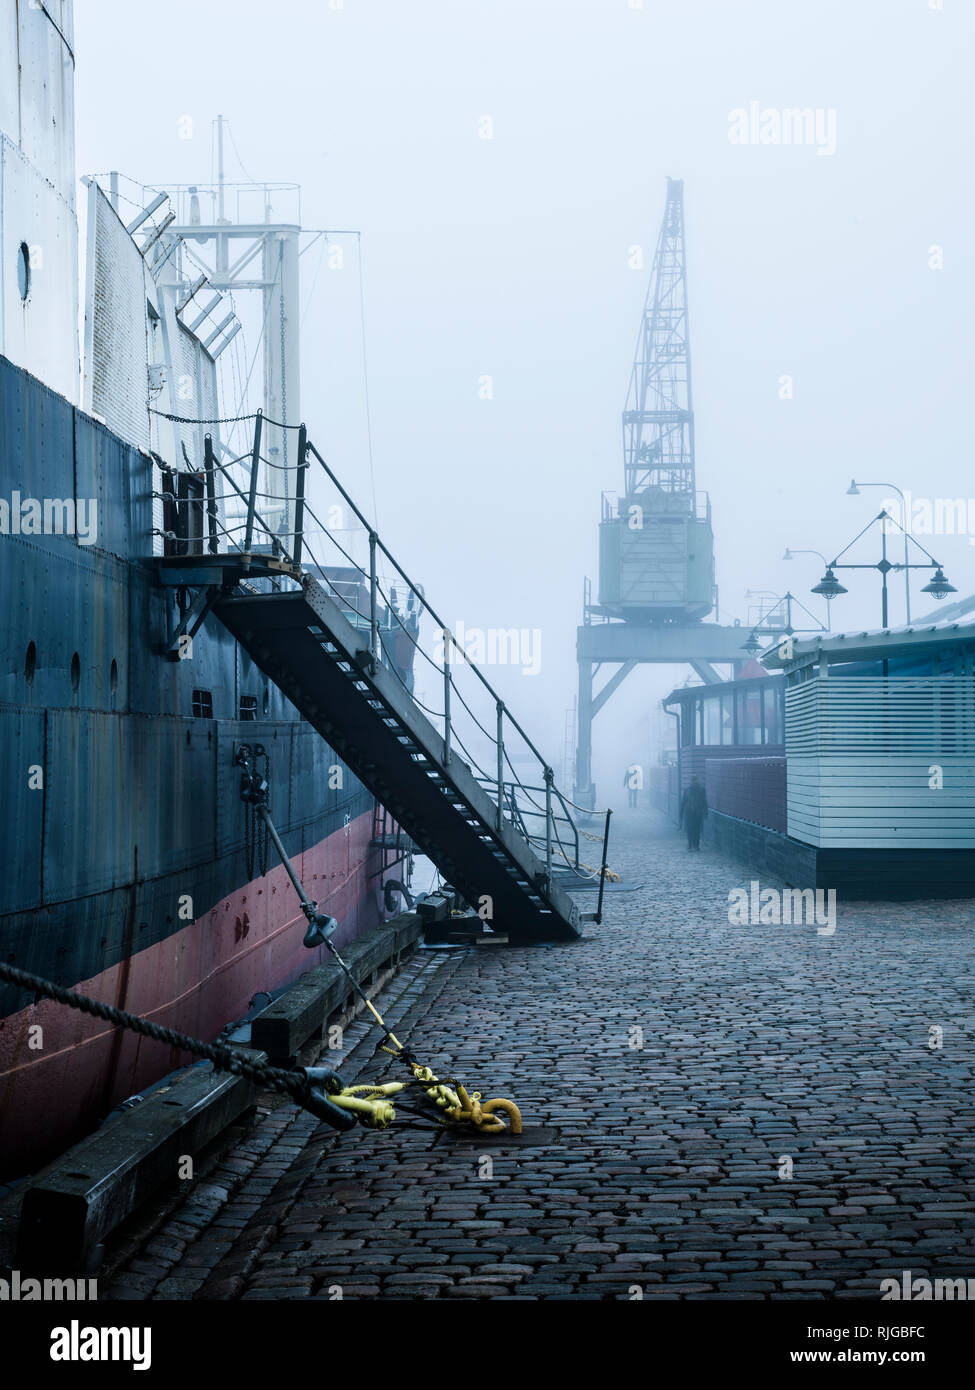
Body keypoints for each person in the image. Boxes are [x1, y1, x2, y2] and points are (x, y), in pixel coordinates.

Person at [679, 776, 707, 851]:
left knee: (697, 829)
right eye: (693, 781)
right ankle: (690, 844)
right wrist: (681, 812)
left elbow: (704, 801)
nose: (694, 782)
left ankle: (696, 845)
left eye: (696, 781)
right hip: (689, 813)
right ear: (691, 781)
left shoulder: (702, 790)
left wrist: (705, 812)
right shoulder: (687, 790)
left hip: (698, 813)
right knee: (689, 829)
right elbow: (683, 802)